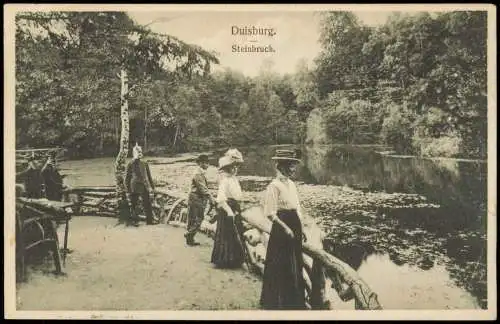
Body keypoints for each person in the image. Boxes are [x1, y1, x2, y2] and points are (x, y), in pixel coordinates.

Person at [260, 149, 308, 310]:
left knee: (295, 262)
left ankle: (293, 301)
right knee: (281, 263)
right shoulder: (274, 186)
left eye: (294, 165)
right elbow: (270, 213)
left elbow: (297, 208)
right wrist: (286, 228)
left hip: (295, 225)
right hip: (282, 228)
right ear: (281, 166)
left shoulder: (292, 184)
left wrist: (303, 227)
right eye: (290, 166)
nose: (293, 169)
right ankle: (277, 302)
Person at [210, 150, 246, 269]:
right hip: (227, 209)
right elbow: (221, 199)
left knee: (236, 232)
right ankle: (224, 259)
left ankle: (236, 259)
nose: (236, 169)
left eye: (237, 166)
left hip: (235, 206)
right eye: (233, 167)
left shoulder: (234, 180)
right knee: (227, 233)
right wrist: (229, 211)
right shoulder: (225, 180)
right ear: (228, 168)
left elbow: (238, 195)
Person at [184, 154, 216, 246]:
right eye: (206, 163)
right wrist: (211, 198)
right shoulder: (198, 174)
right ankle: (189, 234)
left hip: (196, 198)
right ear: (201, 163)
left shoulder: (199, 172)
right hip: (196, 198)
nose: (208, 165)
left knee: (193, 218)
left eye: (208, 163)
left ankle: (190, 239)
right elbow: (203, 189)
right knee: (198, 218)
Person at [125, 144, 155, 227]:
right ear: (134, 153)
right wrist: (127, 190)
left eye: (140, 152)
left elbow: (149, 176)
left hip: (144, 185)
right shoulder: (130, 164)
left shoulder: (145, 163)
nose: (139, 154)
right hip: (134, 186)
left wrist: (152, 187)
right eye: (137, 152)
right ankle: (135, 221)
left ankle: (150, 221)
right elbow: (127, 178)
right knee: (134, 204)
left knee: (147, 203)